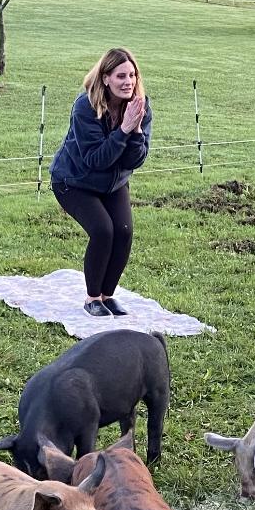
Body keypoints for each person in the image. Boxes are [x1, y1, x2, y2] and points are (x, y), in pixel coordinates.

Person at [48, 48, 151, 317]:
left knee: (124, 231)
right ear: (106, 78)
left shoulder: (139, 106)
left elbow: (135, 160)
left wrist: (136, 131)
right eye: (120, 76)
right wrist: (124, 130)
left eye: (132, 75)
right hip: (74, 181)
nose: (128, 81)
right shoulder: (86, 107)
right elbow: (95, 159)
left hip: (113, 183)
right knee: (104, 231)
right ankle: (93, 298)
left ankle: (108, 295)